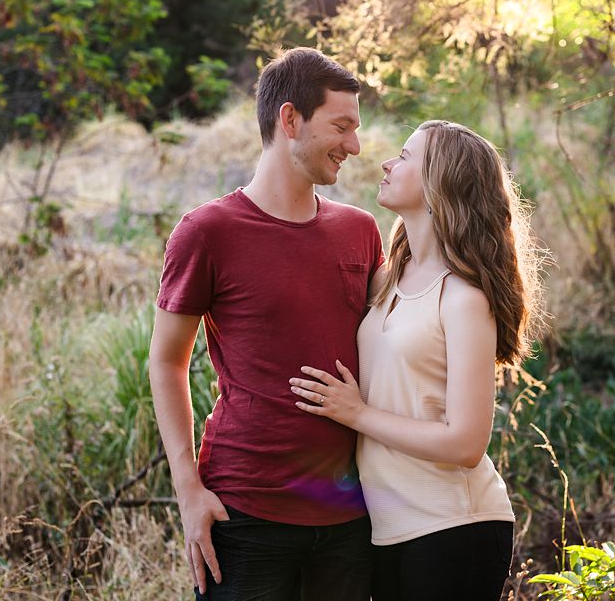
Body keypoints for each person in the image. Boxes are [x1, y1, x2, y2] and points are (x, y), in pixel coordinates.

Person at [149, 47, 383, 600]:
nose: (354, 145)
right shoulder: (207, 231)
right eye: (342, 126)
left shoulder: (361, 231)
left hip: (351, 513)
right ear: (290, 119)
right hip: (245, 511)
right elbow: (166, 360)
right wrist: (188, 490)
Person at [289, 120, 544, 601]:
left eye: (405, 156)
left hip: (453, 525)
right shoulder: (390, 277)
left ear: (438, 184)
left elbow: (466, 442)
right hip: (386, 528)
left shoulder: (464, 297)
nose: (387, 162)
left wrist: (358, 414)